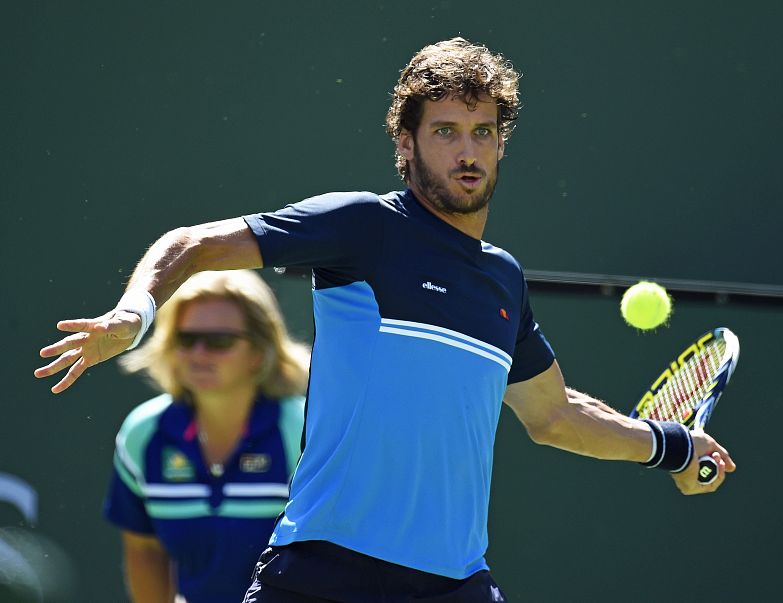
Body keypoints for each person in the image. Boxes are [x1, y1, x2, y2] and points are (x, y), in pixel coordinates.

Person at [35, 38, 735, 603]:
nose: (467, 151)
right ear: (406, 142)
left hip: (454, 582)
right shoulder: (363, 227)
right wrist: (135, 313)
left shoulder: (503, 278)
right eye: (446, 132)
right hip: (321, 574)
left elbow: (554, 415)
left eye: (483, 132)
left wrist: (671, 445)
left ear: (500, 145)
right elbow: (191, 242)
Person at [103, 270, 309, 603]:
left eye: (219, 341)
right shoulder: (143, 434)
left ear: (259, 351)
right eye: (186, 339)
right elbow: (144, 549)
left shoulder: (303, 431)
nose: (199, 353)